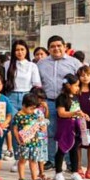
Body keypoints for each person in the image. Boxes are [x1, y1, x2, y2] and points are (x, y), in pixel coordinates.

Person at [37, 35, 82, 168]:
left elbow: (83, 81)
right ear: (48, 49)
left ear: (64, 47)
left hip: (68, 104)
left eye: (59, 46)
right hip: (49, 102)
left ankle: (69, 162)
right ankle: (50, 160)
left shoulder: (74, 63)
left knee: (69, 131)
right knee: (49, 132)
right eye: (52, 46)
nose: (56, 48)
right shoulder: (41, 63)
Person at [53, 74, 86, 180]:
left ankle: (75, 171)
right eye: (76, 86)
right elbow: (61, 113)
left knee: (74, 149)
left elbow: (78, 110)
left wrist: (83, 115)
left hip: (76, 127)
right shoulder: (61, 98)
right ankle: (58, 172)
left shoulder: (76, 97)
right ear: (68, 85)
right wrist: (74, 113)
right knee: (62, 149)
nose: (78, 88)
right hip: (65, 127)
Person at [13, 93, 46, 180]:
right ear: (23, 105)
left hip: (34, 141)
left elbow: (40, 125)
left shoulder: (34, 115)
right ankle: (22, 178)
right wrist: (18, 139)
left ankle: (34, 178)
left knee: (34, 160)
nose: (32, 111)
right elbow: (15, 128)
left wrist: (42, 127)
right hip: (24, 142)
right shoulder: (18, 115)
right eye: (31, 108)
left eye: (34, 108)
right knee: (23, 160)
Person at [29, 87, 50, 180]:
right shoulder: (30, 109)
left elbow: (46, 116)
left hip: (43, 135)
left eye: (42, 99)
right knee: (34, 155)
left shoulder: (42, 108)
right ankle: (34, 174)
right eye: (39, 98)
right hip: (34, 135)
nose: (40, 101)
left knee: (42, 155)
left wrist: (46, 107)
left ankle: (42, 173)